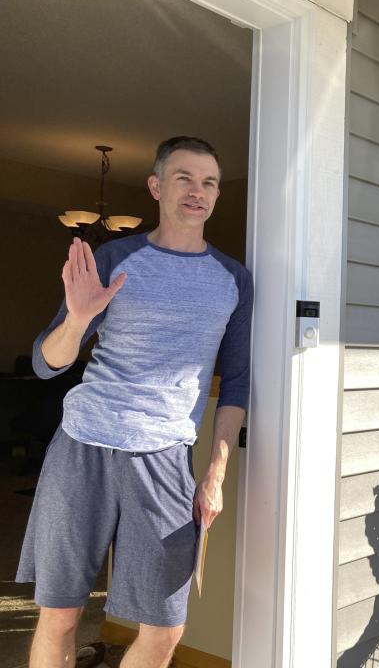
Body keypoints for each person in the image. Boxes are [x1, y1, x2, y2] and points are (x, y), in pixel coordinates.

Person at [17, 136, 253, 668]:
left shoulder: (234, 280)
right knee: (58, 614)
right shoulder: (116, 257)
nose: (198, 191)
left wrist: (214, 474)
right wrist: (77, 321)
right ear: (156, 186)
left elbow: (235, 383)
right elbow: (43, 361)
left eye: (209, 182)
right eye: (184, 178)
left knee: (165, 628)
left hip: (165, 456)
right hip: (81, 447)